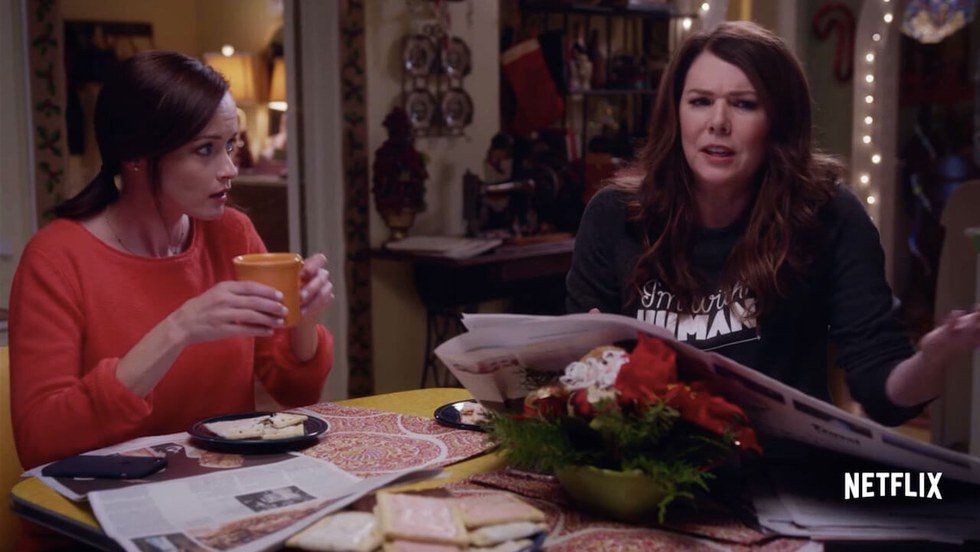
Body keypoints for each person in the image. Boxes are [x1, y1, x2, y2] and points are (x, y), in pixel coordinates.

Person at [566, 22, 980, 427]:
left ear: (779, 121)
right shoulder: (615, 214)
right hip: (647, 460)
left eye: (744, 104)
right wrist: (587, 357)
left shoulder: (829, 215)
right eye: (700, 101)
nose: (718, 122)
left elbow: (882, 393)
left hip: (782, 464)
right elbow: (578, 378)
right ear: (675, 113)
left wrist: (933, 359)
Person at [9, 51, 335, 474]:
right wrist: (179, 329)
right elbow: (40, 443)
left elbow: (295, 394)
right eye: (205, 150)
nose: (230, 169)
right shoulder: (56, 259)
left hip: (218, 483)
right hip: (103, 497)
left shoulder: (232, 233)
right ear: (136, 156)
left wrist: (304, 319)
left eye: (230, 145)